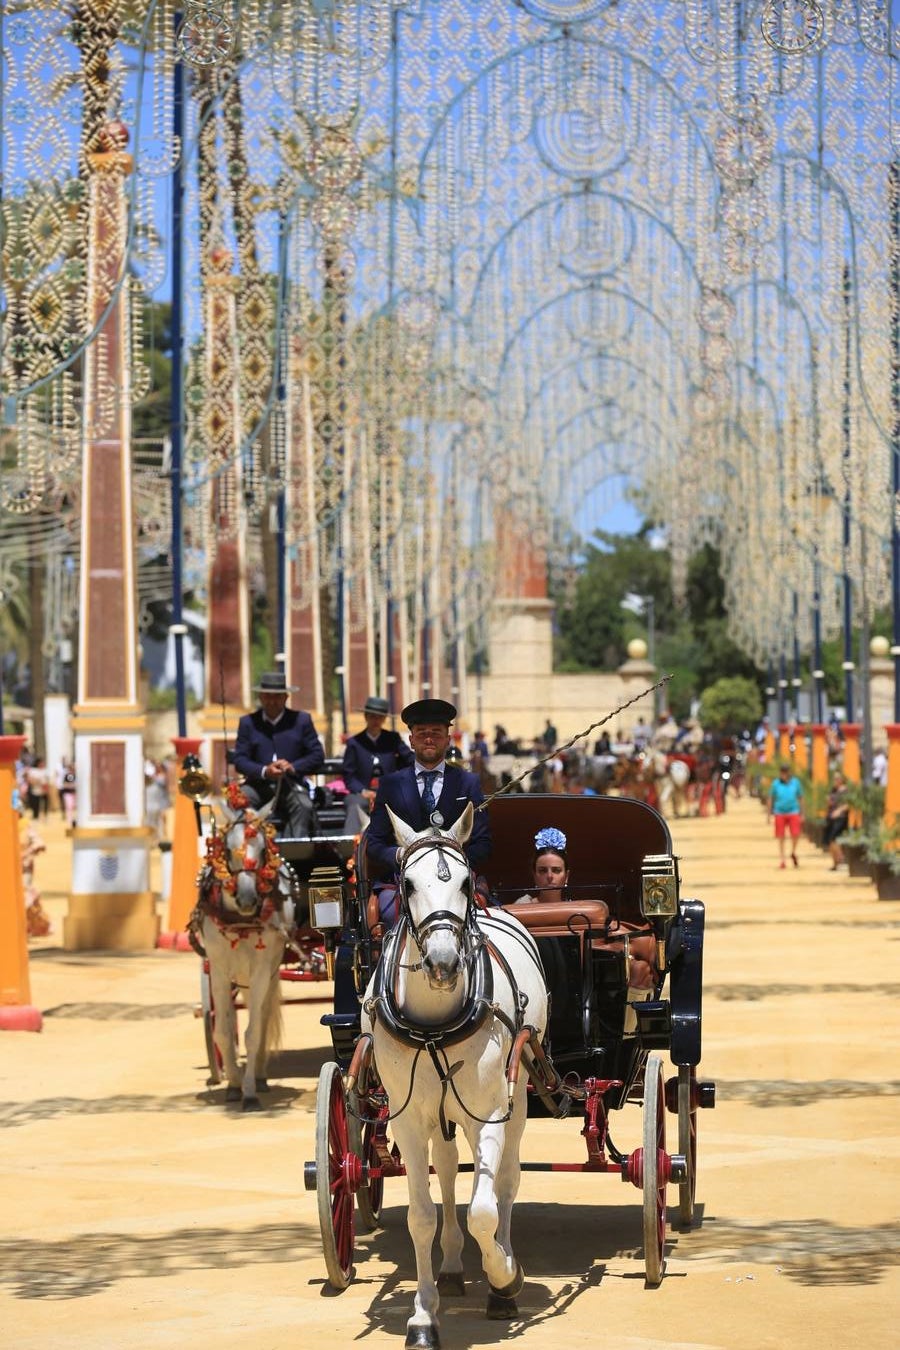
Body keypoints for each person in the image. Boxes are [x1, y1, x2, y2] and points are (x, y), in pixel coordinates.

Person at [365, 698, 492, 921]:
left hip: (455, 879)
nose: (429, 739)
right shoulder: (390, 784)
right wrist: (401, 855)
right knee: (385, 912)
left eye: (436, 732)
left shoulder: (468, 783)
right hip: (406, 881)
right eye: (422, 733)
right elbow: (374, 843)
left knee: (481, 914)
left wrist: (456, 863)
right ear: (411, 740)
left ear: (448, 740)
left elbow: (483, 843)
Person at [233, 670, 324, 838]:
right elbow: (240, 760)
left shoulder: (301, 721)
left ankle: (296, 853)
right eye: (268, 696)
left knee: (304, 806)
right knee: (239, 800)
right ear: (260, 697)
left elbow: (317, 755)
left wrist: (293, 767)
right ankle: (250, 852)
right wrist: (264, 771)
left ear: (286, 697)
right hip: (258, 785)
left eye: (277, 697)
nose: (272, 701)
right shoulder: (248, 723)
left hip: (291, 785)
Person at [341, 694, 414, 836]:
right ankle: (350, 844)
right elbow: (348, 775)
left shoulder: (393, 739)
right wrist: (362, 791)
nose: (376, 720)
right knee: (354, 804)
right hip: (362, 792)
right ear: (366, 717)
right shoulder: (354, 743)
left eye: (380, 717)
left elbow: (410, 759)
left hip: (390, 790)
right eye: (372, 716)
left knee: (407, 801)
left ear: (384, 719)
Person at [767, 762, 804, 868]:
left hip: (793, 811)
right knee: (781, 837)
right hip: (779, 812)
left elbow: (800, 797)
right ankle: (782, 859)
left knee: (796, 834)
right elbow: (770, 798)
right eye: (782, 771)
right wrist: (769, 814)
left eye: (785, 771)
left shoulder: (795, 783)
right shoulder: (776, 784)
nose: (783, 774)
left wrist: (802, 813)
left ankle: (793, 852)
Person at [823, 773, 850, 870]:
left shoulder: (845, 791)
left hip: (840, 818)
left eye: (837, 778)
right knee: (829, 841)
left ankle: (841, 859)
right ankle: (835, 863)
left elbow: (848, 804)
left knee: (834, 839)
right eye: (834, 778)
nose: (836, 780)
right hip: (831, 818)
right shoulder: (833, 790)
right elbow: (830, 803)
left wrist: (839, 811)